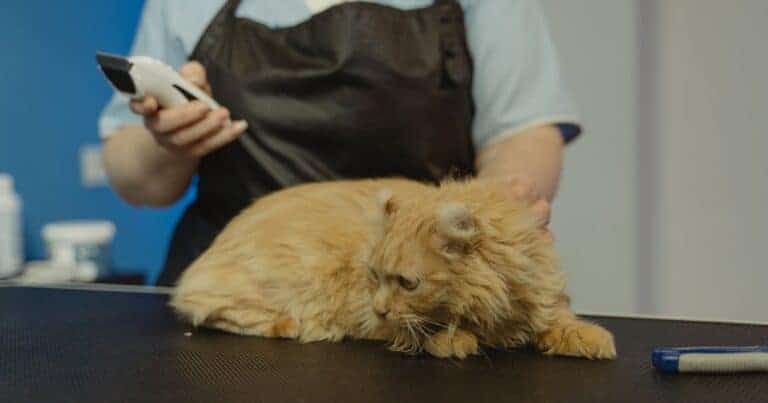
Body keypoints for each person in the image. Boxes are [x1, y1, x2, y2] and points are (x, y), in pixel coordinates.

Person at [99, 0, 582, 285]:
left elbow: (522, 134)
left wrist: (492, 213)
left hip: (416, 290)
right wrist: (170, 143)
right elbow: (134, 176)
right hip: (241, 289)